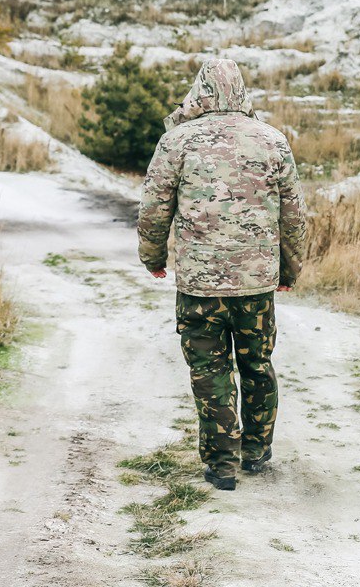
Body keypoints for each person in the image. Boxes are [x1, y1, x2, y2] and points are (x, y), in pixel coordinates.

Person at [137, 59, 307, 491]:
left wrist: (152, 258)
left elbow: (154, 210)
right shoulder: (273, 141)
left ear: (201, 90)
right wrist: (289, 269)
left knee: (209, 369)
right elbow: (293, 216)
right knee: (257, 363)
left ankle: (221, 464)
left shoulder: (175, 141)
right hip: (256, 284)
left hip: (199, 286)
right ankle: (254, 450)